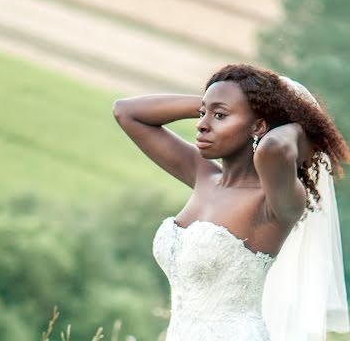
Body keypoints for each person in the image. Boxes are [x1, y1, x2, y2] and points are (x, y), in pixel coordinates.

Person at [113, 63, 350, 340]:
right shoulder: (203, 176)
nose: (202, 125)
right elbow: (126, 112)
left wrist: (300, 126)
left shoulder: (275, 203)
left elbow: (274, 148)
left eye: (220, 116)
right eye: (203, 114)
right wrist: (214, 105)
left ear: (259, 126)